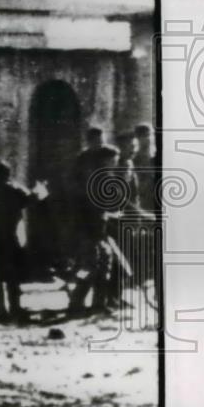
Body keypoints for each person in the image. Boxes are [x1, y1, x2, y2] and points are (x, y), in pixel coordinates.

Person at [0, 161, 47, 321]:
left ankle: (1, 311)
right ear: (8, 173)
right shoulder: (14, 189)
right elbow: (31, 200)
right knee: (12, 276)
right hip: (10, 237)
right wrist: (40, 189)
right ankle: (15, 307)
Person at [68, 127, 121, 315]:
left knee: (103, 264)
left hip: (98, 226)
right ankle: (76, 302)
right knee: (90, 266)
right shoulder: (89, 170)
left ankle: (98, 304)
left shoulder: (103, 175)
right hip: (89, 227)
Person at [132, 123, 159, 213]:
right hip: (142, 201)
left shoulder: (156, 157)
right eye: (144, 136)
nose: (148, 139)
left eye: (149, 135)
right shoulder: (134, 159)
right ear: (138, 138)